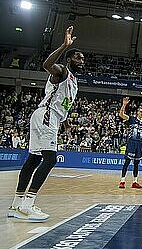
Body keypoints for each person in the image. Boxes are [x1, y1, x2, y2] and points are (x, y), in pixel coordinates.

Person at [7, 26, 84, 221]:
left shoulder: (73, 81)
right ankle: (28, 204)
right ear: (69, 59)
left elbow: (62, 102)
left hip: (48, 116)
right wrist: (64, 46)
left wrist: (65, 124)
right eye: (77, 57)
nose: (81, 60)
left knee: (33, 160)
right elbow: (46, 64)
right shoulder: (62, 71)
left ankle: (16, 204)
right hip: (46, 116)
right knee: (50, 159)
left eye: (82, 58)